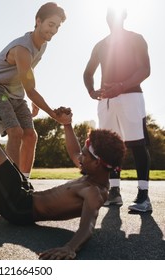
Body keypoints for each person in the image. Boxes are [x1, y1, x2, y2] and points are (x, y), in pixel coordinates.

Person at [0, 108, 126, 260]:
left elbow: (88, 226)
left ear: (98, 162)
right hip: (25, 194)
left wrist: (69, 248)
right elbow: (74, 150)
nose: (79, 157)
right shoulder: (91, 171)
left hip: (20, 208)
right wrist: (67, 125)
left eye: (84, 155)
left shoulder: (95, 192)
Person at [0, 2, 71, 180]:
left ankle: (24, 182)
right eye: (50, 25)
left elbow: (27, 74)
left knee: (30, 136)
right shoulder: (22, 48)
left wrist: (32, 98)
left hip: (16, 93)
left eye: (57, 26)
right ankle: (11, 184)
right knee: (16, 132)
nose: (53, 30)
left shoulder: (42, 45)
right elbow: (30, 89)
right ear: (38, 21)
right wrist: (53, 114)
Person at [83, 7, 152, 212]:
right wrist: (90, 90)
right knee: (108, 148)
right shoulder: (100, 45)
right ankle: (114, 192)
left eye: (116, 15)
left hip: (131, 97)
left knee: (138, 145)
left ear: (124, 17)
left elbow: (145, 69)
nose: (112, 19)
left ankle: (143, 196)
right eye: (109, 16)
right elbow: (87, 73)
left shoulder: (136, 38)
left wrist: (121, 86)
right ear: (105, 19)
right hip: (106, 102)